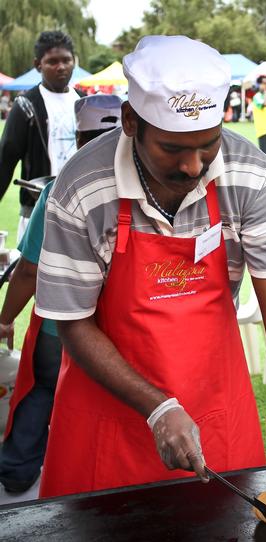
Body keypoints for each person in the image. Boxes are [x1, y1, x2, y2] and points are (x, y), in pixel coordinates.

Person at [35, 35, 266, 527]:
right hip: (106, 419)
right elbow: (73, 322)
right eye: (173, 148)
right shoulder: (81, 187)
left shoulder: (252, 177)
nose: (194, 167)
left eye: (208, 145)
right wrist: (156, 407)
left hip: (216, 409)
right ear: (131, 123)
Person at [0, 94, 122, 494]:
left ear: (80, 137)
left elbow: (29, 269)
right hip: (121, 335)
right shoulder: (150, 189)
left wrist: (3, 319)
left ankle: (18, 472)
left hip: (61, 329)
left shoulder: (60, 188)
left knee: (40, 393)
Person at [0, 30, 83, 242]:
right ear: (38, 65)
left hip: (81, 214)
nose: (61, 67)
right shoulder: (26, 106)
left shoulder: (85, 103)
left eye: (66, 60)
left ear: (74, 61)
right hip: (37, 213)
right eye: (52, 61)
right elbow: (5, 162)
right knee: (32, 275)